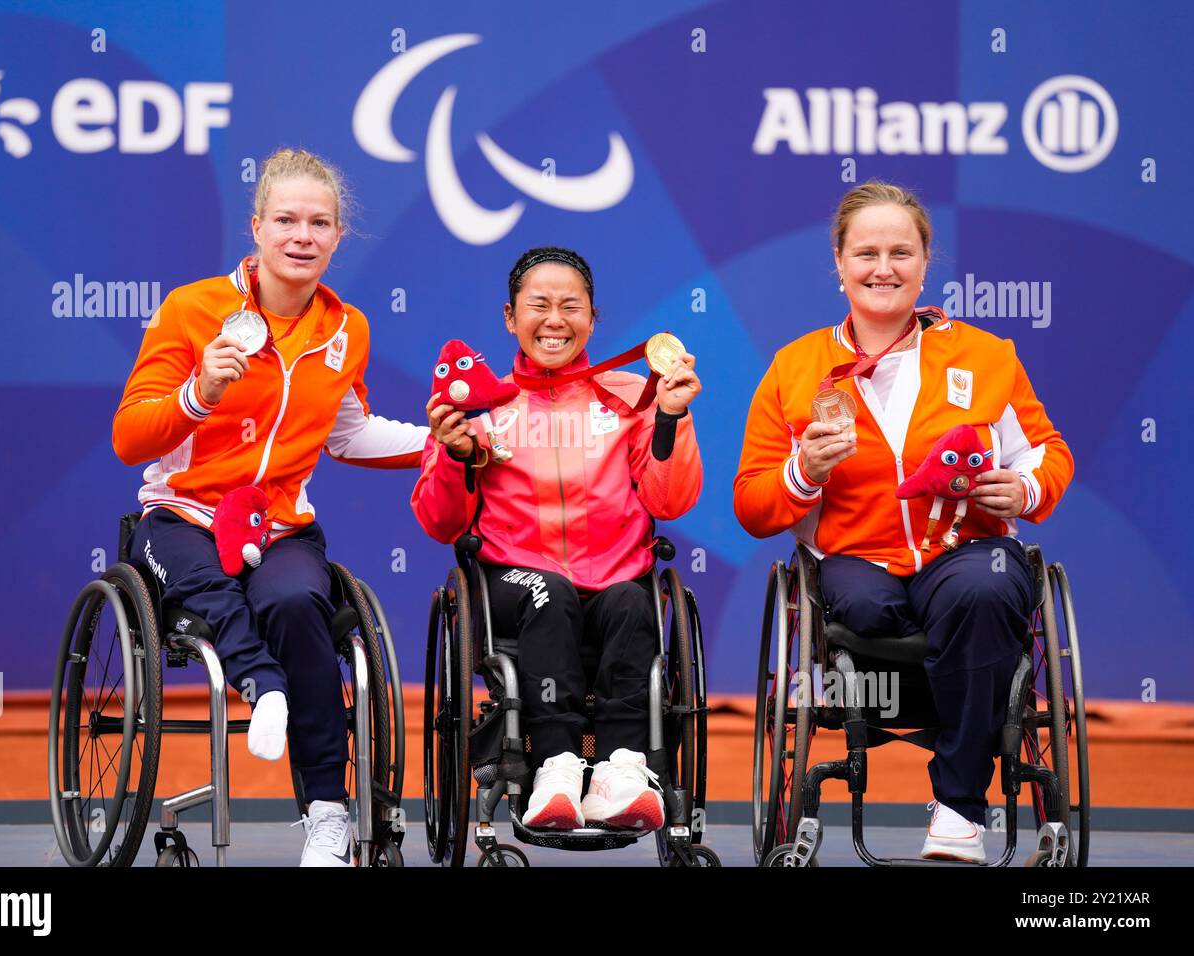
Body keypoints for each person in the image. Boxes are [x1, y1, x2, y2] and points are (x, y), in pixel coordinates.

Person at [733, 181, 1074, 863]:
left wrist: (1026, 487)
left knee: (985, 590)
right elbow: (752, 503)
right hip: (859, 560)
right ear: (838, 262)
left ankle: (957, 806)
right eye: (865, 252)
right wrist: (804, 473)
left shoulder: (984, 357)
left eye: (900, 252)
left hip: (965, 550)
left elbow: (1049, 455)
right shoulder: (797, 371)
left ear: (924, 263)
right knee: (857, 606)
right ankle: (966, 694)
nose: (882, 268)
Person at [112, 148, 428, 866]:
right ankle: (262, 683)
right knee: (206, 581)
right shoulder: (194, 310)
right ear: (256, 227)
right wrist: (200, 393)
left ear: (338, 237)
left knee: (297, 603)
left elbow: (350, 435)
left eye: (319, 223)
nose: (302, 235)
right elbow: (130, 437)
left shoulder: (346, 329)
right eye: (285, 219)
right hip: (183, 513)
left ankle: (325, 813)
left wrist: (437, 442)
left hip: (279, 522)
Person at [411, 247, 703, 831]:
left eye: (571, 306)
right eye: (538, 305)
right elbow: (441, 523)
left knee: (631, 600)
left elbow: (670, 501)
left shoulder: (631, 394)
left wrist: (670, 418)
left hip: (612, 580)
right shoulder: (481, 406)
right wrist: (455, 455)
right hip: (513, 585)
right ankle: (556, 766)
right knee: (549, 592)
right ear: (509, 317)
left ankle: (622, 771)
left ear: (593, 318)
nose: (554, 319)